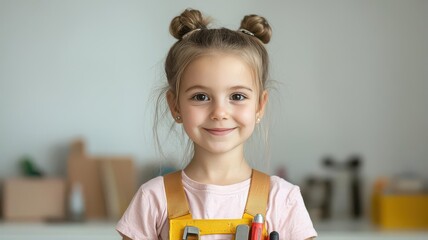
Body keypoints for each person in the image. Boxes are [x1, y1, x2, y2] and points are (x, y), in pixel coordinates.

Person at [116, 8, 317, 240]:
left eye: (237, 96)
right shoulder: (153, 198)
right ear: (175, 106)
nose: (219, 112)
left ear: (260, 106)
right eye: (201, 97)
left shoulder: (282, 199)